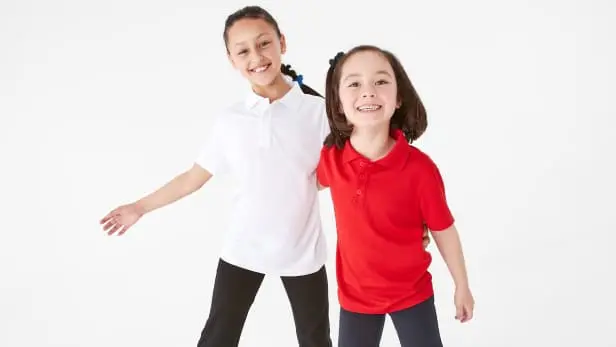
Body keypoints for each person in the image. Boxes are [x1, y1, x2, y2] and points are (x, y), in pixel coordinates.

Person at [99, 6, 430, 346]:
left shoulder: (319, 113)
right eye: (243, 51)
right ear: (232, 60)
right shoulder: (230, 121)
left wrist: (409, 226)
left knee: (316, 339)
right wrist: (138, 207)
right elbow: (191, 178)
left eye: (264, 44)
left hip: (302, 252)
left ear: (281, 43)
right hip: (243, 249)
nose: (256, 57)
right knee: (218, 336)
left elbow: (365, 167)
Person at [316, 45, 475, 347]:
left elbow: (443, 230)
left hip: (411, 293)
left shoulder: (420, 170)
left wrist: (462, 285)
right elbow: (296, 187)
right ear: (338, 103)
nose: (368, 92)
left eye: (380, 81)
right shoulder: (332, 160)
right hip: (355, 298)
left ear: (398, 97)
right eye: (354, 83)